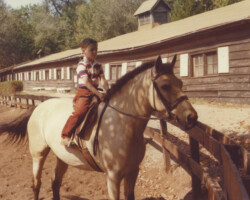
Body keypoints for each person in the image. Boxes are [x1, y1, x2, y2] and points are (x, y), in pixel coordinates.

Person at [61, 38, 109, 146]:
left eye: (96, 49)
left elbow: (103, 80)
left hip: (96, 92)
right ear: (83, 50)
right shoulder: (81, 65)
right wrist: (99, 94)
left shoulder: (98, 65)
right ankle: (65, 135)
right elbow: (87, 83)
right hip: (84, 92)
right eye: (91, 50)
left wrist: (109, 90)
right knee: (80, 111)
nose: (95, 52)